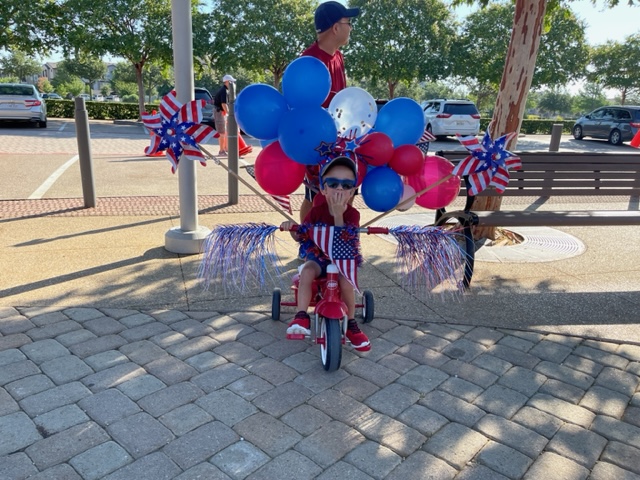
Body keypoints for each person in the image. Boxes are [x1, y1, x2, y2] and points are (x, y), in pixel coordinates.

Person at [280, 156, 371, 352]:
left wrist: (338, 214)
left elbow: (344, 241)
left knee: (347, 281)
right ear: (323, 189)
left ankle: (352, 323)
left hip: (341, 260)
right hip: (318, 258)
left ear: (352, 192)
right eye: (333, 183)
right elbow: (302, 236)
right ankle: (302, 315)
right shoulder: (316, 211)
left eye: (346, 185)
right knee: (307, 271)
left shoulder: (353, 214)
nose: (339, 188)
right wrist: (292, 229)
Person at [299, 1, 360, 222]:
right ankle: (308, 241)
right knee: (313, 192)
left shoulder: (338, 57)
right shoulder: (309, 60)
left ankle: (338, 237)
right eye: (348, 22)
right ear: (335, 28)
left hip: (341, 137)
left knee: (347, 188)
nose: (351, 27)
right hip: (316, 140)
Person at [213, 74, 236, 156]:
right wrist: (230, 114)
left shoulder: (225, 90)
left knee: (224, 131)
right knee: (222, 132)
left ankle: (225, 149)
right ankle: (222, 150)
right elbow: (223, 104)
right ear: (226, 82)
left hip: (221, 112)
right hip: (219, 112)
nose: (232, 83)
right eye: (231, 82)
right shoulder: (224, 91)